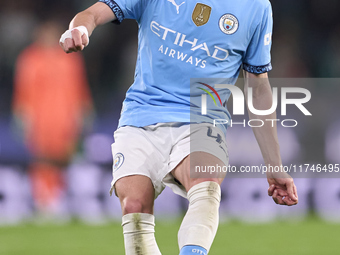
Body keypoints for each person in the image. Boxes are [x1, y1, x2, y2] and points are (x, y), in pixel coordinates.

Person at [60, 0, 298, 254]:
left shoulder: (256, 7)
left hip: (203, 118)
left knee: (205, 184)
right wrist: (79, 29)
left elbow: (258, 87)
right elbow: (91, 14)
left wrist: (275, 165)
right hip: (142, 115)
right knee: (134, 205)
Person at [13, 20, 93, 218]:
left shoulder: (70, 57)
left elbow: (79, 89)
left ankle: (62, 201)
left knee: (66, 159)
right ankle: (44, 203)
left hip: (65, 120)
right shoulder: (30, 59)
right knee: (42, 161)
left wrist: (84, 112)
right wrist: (22, 118)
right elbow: (23, 93)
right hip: (41, 121)